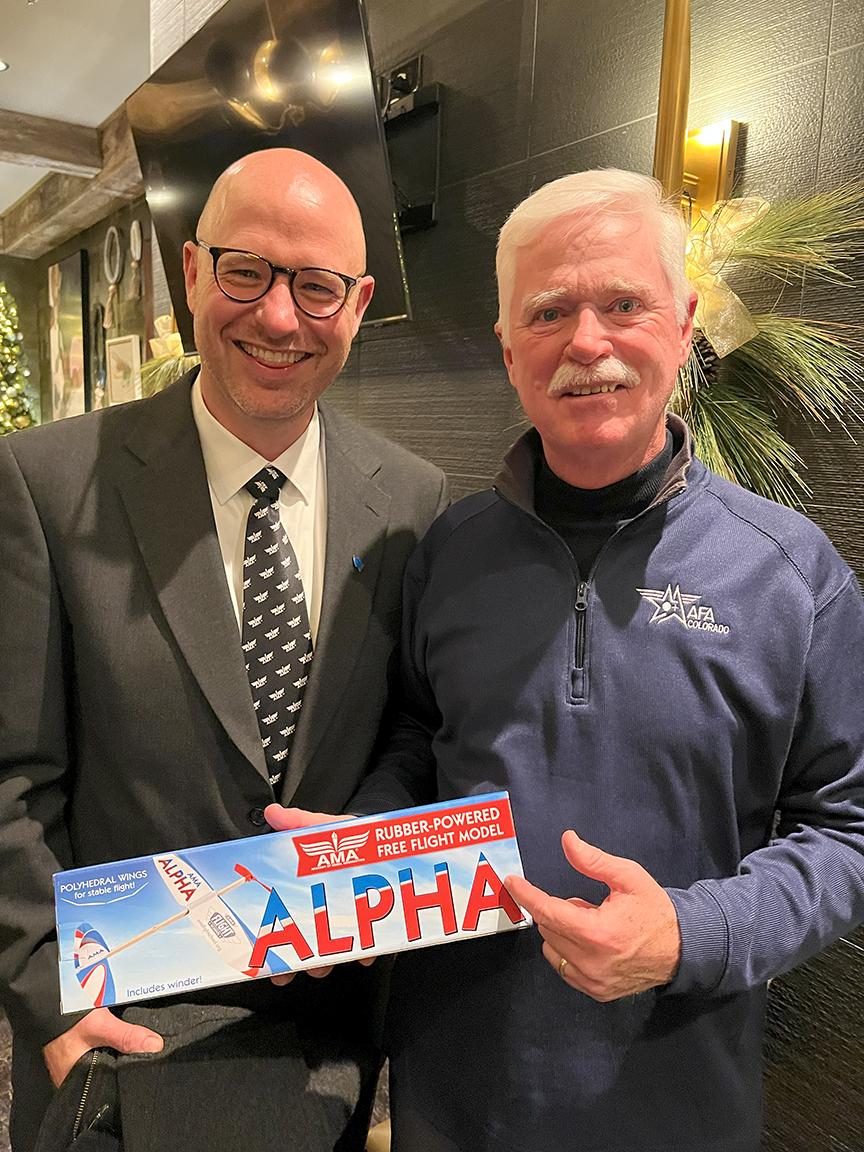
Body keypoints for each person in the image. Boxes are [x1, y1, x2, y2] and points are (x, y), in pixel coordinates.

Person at [269, 169, 864, 1151]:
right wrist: (357, 845)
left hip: (682, 1108)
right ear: (510, 350)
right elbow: (420, 741)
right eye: (550, 312)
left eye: (623, 303)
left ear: (682, 323)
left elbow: (847, 831)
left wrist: (691, 931)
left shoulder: (795, 575)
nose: (588, 342)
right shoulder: (446, 555)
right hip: (450, 1105)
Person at [0, 148, 447, 1152]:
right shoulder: (45, 482)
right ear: (192, 274)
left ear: (359, 302)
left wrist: (351, 851)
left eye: (317, 286)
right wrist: (51, 1003)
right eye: (247, 271)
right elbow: (9, 775)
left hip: (324, 1046)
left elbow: (413, 730)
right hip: (116, 1034)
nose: (279, 317)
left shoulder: (412, 499)